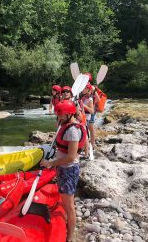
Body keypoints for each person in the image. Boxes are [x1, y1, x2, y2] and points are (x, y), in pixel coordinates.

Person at [40, 100, 86, 242]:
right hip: (63, 168)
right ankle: (67, 223)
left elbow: (71, 157)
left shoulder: (73, 130)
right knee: (67, 201)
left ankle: (70, 237)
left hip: (69, 170)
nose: (59, 118)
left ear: (69, 114)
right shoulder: (65, 124)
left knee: (69, 205)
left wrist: (51, 163)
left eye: (61, 115)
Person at [84, 73, 100, 148]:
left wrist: (91, 104)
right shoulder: (83, 86)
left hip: (90, 110)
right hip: (84, 111)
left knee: (90, 127)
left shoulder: (92, 88)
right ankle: (85, 145)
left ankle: (92, 145)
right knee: (85, 127)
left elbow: (98, 99)